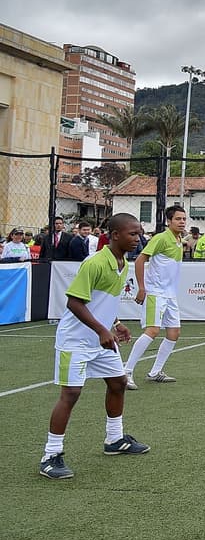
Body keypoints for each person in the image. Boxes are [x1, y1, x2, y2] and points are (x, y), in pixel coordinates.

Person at [39, 213, 149, 480]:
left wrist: (116, 323)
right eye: (133, 234)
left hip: (101, 339)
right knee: (71, 394)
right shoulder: (95, 263)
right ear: (114, 235)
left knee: (118, 383)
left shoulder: (122, 263)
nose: (138, 238)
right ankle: (50, 456)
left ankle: (115, 439)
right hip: (76, 340)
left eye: (139, 233)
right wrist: (101, 329)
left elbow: (101, 301)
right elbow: (74, 302)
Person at [125, 205, 188, 388]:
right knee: (152, 331)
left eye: (184, 219)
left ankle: (155, 372)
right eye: (178, 219)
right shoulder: (161, 238)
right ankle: (126, 372)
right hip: (155, 293)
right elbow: (139, 260)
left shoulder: (179, 240)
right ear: (169, 221)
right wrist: (142, 288)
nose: (182, 222)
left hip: (170, 295)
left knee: (174, 333)